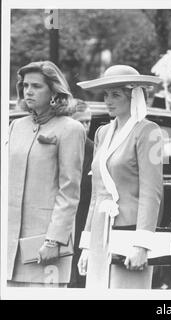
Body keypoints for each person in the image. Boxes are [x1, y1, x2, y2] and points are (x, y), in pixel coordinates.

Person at [76, 65, 164, 289]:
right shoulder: (102, 132)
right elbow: (97, 192)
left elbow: (151, 191)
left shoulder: (148, 131)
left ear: (133, 97)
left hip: (129, 233)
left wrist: (142, 244)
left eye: (116, 94)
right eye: (106, 94)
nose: (108, 100)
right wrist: (86, 244)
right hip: (99, 232)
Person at [7, 61, 86, 287]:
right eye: (25, 85)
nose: (28, 91)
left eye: (36, 86)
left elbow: (69, 191)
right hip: (8, 245)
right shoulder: (15, 126)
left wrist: (54, 240)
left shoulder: (71, 129)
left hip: (44, 247)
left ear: (54, 90)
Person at [68, 99, 94, 288]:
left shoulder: (93, 149)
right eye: (81, 122)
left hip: (84, 219)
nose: (86, 127)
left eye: (88, 122)